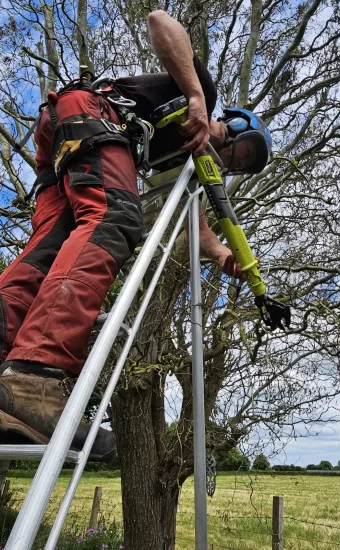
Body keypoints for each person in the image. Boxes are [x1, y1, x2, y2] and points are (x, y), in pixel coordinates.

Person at [0, 10, 272, 460]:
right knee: (114, 220)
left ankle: (9, 388)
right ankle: (35, 377)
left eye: (243, 165)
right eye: (242, 150)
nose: (234, 162)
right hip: (94, 113)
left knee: (48, 251)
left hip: (61, 131)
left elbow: (199, 227)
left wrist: (223, 255)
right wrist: (197, 98)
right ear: (236, 123)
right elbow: (161, 19)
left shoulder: (180, 154)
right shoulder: (198, 98)